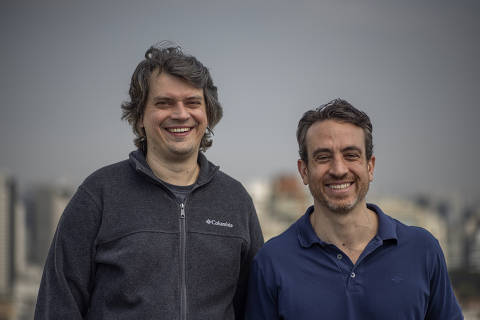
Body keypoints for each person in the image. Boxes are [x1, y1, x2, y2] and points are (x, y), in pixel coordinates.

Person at [34, 42, 264, 320]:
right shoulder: (99, 195)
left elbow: (253, 308)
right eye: (164, 103)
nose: (181, 114)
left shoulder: (235, 201)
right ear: (140, 116)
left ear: (208, 114)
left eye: (192, 102)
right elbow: (58, 304)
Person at [245, 99, 463, 319]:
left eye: (351, 155)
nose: (339, 169)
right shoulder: (272, 262)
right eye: (323, 157)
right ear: (304, 171)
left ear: (370, 166)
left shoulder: (422, 251)